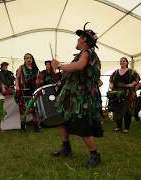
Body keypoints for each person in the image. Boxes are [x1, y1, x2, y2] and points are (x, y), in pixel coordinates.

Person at [50, 22, 103, 168]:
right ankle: (65, 148)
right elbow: (74, 70)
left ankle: (95, 155)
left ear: (84, 40)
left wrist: (60, 65)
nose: (78, 39)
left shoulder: (87, 53)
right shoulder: (81, 55)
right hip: (71, 97)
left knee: (82, 126)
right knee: (62, 120)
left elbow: (80, 66)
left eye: (80, 37)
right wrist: (61, 69)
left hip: (81, 99)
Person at [109, 57, 140, 133]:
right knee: (117, 110)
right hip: (116, 94)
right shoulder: (116, 72)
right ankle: (118, 127)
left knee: (127, 111)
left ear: (127, 63)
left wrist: (131, 84)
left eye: (124, 61)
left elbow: (137, 79)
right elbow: (111, 81)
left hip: (127, 94)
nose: (122, 62)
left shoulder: (131, 71)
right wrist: (111, 85)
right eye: (121, 61)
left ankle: (126, 128)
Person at [15, 53, 40, 132]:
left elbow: (39, 80)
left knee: (35, 109)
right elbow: (17, 78)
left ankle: (36, 126)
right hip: (24, 90)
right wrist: (17, 87)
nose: (29, 59)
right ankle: (23, 126)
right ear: (24, 60)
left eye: (30, 58)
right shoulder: (21, 68)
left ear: (32, 59)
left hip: (34, 90)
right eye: (27, 58)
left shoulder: (36, 69)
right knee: (23, 109)